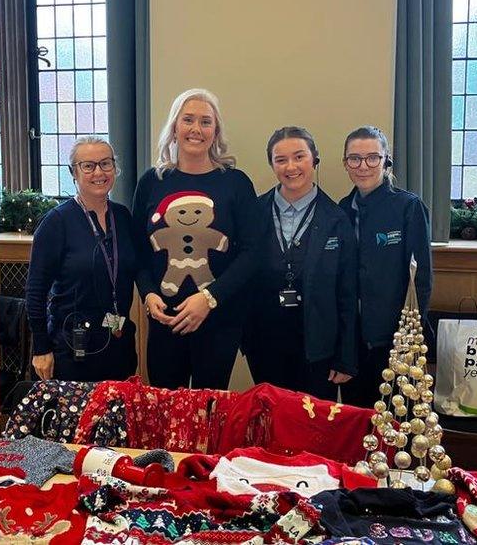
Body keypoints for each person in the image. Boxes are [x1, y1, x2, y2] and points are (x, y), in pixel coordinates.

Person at [132, 88, 259, 390]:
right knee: (164, 416)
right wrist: (148, 295)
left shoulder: (236, 183)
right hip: (165, 321)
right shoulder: (152, 181)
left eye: (206, 121)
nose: (196, 129)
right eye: (188, 119)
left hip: (217, 320)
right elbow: (137, 249)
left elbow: (252, 254)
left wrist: (209, 298)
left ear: (216, 132)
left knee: (210, 417)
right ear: (174, 127)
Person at [242, 126, 358, 401]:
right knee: (272, 421)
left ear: (314, 159)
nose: (291, 167)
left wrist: (345, 356)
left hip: (319, 348)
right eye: (280, 160)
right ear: (272, 164)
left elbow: (348, 293)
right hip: (265, 343)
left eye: (299, 157)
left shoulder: (337, 219)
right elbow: (242, 276)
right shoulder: (254, 213)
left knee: (313, 426)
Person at [26, 136, 138, 382]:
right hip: (73, 347)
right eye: (88, 166)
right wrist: (41, 349)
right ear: (73, 172)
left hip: (118, 344)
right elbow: (35, 292)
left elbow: (137, 269)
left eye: (106, 164)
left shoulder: (123, 217)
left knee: (115, 416)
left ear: (115, 168)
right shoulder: (56, 222)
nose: (99, 172)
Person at [337, 126, 432, 407]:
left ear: (386, 160)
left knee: (394, 429)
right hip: (354, 344)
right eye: (354, 158)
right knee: (357, 426)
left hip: (394, 343)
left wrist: (408, 339)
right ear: (345, 163)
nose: (363, 166)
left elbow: (421, 280)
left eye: (372, 158)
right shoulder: (342, 210)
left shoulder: (408, 207)